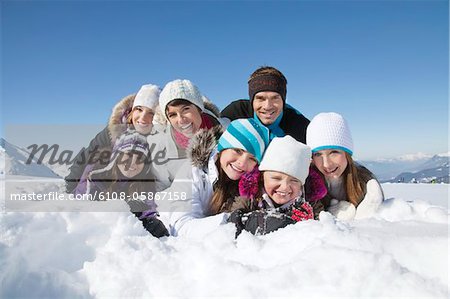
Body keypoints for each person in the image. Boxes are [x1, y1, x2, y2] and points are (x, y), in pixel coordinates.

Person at [160, 118, 270, 236]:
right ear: (222, 148)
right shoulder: (194, 171)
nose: (242, 163)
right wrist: (233, 221)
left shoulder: (250, 183)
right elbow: (181, 227)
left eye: (252, 158)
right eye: (238, 151)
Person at [65, 84, 161, 193]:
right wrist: (70, 188)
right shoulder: (113, 130)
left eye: (151, 113)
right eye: (139, 109)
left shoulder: (160, 138)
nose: (143, 117)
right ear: (132, 111)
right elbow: (86, 157)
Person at [75, 129, 169, 238]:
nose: (132, 164)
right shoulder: (96, 174)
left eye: (140, 159)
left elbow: (149, 206)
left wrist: (148, 220)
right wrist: (121, 207)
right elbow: (82, 207)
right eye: (128, 155)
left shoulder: (145, 181)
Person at [228, 136, 315, 236]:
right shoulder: (248, 200)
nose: (285, 187)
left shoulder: (311, 203)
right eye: (276, 178)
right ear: (262, 177)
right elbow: (229, 229)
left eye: (294, 180)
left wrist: (309, 225)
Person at [148, 79, 225, 190]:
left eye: (185, 109)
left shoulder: (226, 132)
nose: (181, 120)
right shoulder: (161, 149)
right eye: (173, 115)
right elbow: (162, 192)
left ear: (199, 109)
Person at [306, 112, 384, 220]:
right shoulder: (307, 183)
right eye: (318, 154)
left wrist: (365, 214)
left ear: (347, 154)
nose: (326, 164)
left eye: (334, 152)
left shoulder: (364, 181)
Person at [220, 66, 310, 142]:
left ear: (283, 100)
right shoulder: (237, 112)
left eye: (275, 98)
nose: (267, 106)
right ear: (252, 100)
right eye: (260, 98)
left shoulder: (299, 125)